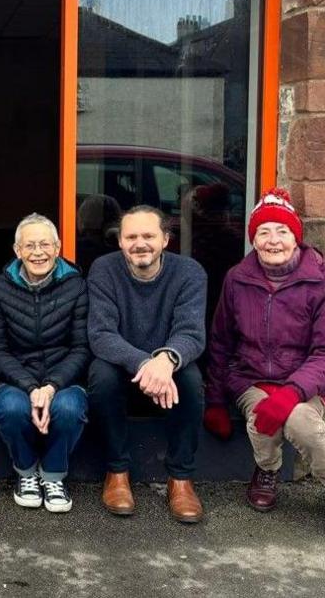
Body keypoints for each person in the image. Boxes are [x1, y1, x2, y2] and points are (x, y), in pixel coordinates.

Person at [203, 188, 325, 537]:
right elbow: (221, 342)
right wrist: (215, 399)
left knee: (301, 420)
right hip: (250, 378)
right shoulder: (237, 279)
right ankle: (268, 468)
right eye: (263, 232)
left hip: (306, 383)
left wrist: (292, 392)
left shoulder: (324, 283)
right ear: (253, 239)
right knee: (263, 414)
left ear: (296, 237)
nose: (273, 240)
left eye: (282, 231)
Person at [87, 205, 208, 522]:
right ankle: (117, 472)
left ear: (165, 240)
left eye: (148, 236)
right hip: (125, 363)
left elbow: (191, 333)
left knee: (193, 381)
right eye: (131, 236)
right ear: (120, 241)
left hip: (169, 365)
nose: (140, 243)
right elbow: (100, 334)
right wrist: (146, 364)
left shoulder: (190, 273)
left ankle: (180, 478)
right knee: (101, 376)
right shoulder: (104, 269)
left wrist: (166, 360)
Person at [0, 213, 89, 513]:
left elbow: (82, 347)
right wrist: (31, 387)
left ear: (57, 248)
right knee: (12, 408)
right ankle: (26, 472)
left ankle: (53, 474)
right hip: (16, 378)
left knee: (68, 408)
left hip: (64, 379)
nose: (38, 252)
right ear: (17, 250)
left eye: (45, 244)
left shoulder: (76, 284)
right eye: (30, 245)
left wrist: (52, 387)